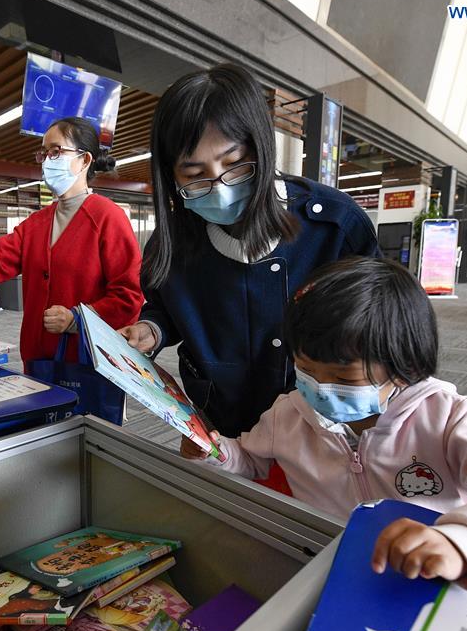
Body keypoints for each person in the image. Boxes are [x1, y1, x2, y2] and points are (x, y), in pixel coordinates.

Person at [182, 257, 467, 590]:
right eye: (305, 370)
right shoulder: (288, 413)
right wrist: (213, 452)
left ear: (404, 366)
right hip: (329, 565)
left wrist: (463, 542)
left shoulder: (447, 417)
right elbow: (249, 461)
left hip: (429, 574)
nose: (319, 388)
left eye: (344, 378)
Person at [120, 64, 380, 440]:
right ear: (170, 176)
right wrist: (153, 329)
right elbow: (167, 307)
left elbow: (380, 333)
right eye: (194, 175)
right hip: (220, 425)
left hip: (318, 435)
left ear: (260, 146)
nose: (220, 186)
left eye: (235, 164)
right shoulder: (172, 243)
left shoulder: (336, 229)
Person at [0, 117, 144, 366]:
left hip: (87, 361)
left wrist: (77, 319)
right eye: (43, 154)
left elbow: (128, 295)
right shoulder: (36, 223)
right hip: (38, 361)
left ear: (84, 160)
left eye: (55, 151)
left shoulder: (107, 217)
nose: (47, 161)